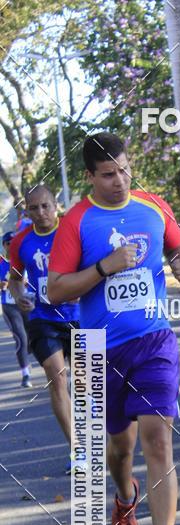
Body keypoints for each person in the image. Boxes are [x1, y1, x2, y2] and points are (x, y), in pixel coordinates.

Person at [47, 132, 180, 525]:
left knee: (158, 439)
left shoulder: (153, 206)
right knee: (120, 449)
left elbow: (179, 245)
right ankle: (125, 496)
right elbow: (55, 290)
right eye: (109, 174)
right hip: (99, 350)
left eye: (125, 170)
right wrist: (102, 268)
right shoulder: (77, 222)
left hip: (153, 340)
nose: (120, 181)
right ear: (90, 176)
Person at [9, 187, 80, 468]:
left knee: (91, 384)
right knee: (56, 376)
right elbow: (15, 279)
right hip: (43, 318)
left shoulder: (74, 230)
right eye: (34, 208)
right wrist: (19, 296)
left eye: (45, 206)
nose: (40, 213)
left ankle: (96, 442)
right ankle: (77, 451)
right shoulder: (20, 241)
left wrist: (82, 288)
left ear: (56, 205)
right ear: (26, 211)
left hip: (81, 316)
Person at [1, 232, 32, 387]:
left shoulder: (25, 258)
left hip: (28, 304)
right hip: (10, 306)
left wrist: (26, 282)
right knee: (21, 338)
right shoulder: (1, 263)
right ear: (4, 245)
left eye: (14, 242)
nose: (12, 245)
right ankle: (25, 374)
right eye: (9, 243)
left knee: (33, 337)